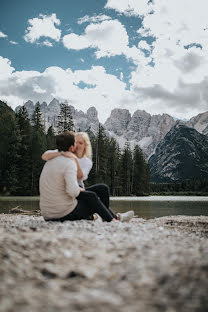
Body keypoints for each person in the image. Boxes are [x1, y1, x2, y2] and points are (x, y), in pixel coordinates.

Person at [39, 131, 134, 222]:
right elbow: (45, 155)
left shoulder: (86, 162)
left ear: (85, 146)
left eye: (80, 143)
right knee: (92, 198)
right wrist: (62, 153)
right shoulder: (64, 153)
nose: (77, 145)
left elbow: (80, 177)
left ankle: (105, 217)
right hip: (68, 191)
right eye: (76, 142)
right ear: (72, 145)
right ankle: (112, 218)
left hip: (76, 188)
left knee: (103, 189)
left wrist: (74, 159)